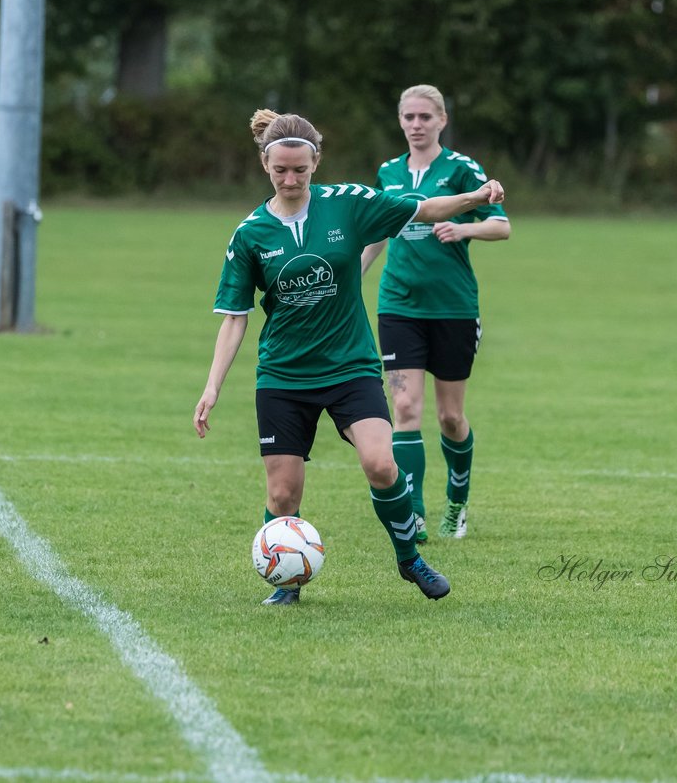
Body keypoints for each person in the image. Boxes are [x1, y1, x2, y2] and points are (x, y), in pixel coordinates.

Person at [194, 109, 504, 605]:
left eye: (300, 168)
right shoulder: (250, 234)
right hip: (284, 375)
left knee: (382, 465)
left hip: (350, 366)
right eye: (281, 171)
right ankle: (287, 582)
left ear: (316, 162)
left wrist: (476, 196)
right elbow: (235, 317)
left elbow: (422, 209)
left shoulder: (349, 204)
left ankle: (410, 561)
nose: (291, 179)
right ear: (265, 166)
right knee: (282, 497)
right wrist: (212, 388)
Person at [360, 85, 509, 542]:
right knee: (404, 407)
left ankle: (457, 504)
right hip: (399, 305)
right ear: (400, 121)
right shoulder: (388, 172)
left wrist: (464, 228)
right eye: (409, 117)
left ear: (442, 120)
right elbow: (377, 230)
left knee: (449, 417)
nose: (416, 125)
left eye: (425, 117)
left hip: (453, 307)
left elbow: (501, 226)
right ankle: (416, 513)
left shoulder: (462, 169)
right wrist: (352, 276)